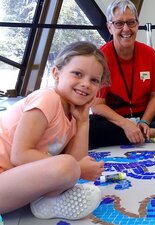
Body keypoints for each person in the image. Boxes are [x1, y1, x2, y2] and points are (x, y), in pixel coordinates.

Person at [0, 41, 109, 220]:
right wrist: (78, 169)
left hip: (13, 181)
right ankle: (47, 200)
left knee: (68, 166)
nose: (85, 84)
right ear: (56, 73)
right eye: (77, 74)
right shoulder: (47, 99)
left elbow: (76, 160)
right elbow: (19, 155)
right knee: (67, 166)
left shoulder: (74, 112)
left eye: (94, 80)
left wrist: (82, 122)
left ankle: (45, 201)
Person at [89, 0, 155, 148]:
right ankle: (153, 132)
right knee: (87, 131)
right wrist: (126, 125)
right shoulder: (101, 57)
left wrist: (144, 121)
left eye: (131, 22)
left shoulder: (149, 53)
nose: (126, 29)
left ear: (137, 25)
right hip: (116, 118)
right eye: (119, 23)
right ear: (109, 27)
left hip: (146, 113)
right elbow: (97, 106)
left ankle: (146, 129)